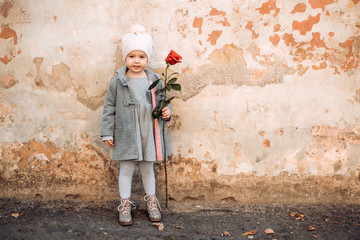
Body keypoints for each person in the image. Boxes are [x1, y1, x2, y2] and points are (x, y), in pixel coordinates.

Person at [100, 24, 171, 226]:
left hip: (148, 131)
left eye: (141, 56)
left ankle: (151, 201)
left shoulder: (154, 79)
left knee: (148, 168)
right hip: (127, 133)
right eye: (132, 56)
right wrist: (107, 133)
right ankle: (125, 204)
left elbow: (163, 101)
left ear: (147, 59)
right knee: (126, 169)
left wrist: (166, 112)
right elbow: (109, 107)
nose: (137, 61)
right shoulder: (119, 81)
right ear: (125, 58)